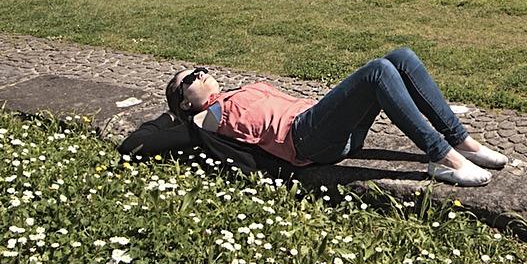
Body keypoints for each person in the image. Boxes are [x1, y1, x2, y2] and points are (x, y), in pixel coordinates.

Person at [164, 48, 509, 187]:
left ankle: (461, 142)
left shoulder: (231, 95)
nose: (201, 73)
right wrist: (180, 120)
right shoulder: (206, 118)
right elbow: (164, 134)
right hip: (303, 138)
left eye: (200, 69)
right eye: (191, 78)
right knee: (377, 72)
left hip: (325, 125)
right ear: (184, 103)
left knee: (400, 57)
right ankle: (442, 157)